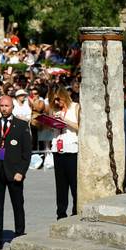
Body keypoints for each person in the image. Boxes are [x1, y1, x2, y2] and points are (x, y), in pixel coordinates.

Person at [0, 95, 32, 250]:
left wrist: (21, 171)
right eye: (2, 106)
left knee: (18, 205)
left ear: (13, 107)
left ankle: (20, 235)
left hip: (14, 173)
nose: (4, 108)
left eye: (7, 106)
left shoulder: (21, 125)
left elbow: (27, 152)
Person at [48, 87, 80, 219]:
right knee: (60, 185)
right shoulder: (55, 109)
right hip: (58, 149)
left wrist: (64, 120)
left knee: (74, 183)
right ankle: (61, 213)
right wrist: (52, 123)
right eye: (54, 99)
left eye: (58, 98)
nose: (56, 102)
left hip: (71, 150)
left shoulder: (75, 107)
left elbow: (79, 126)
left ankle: (76, 210)